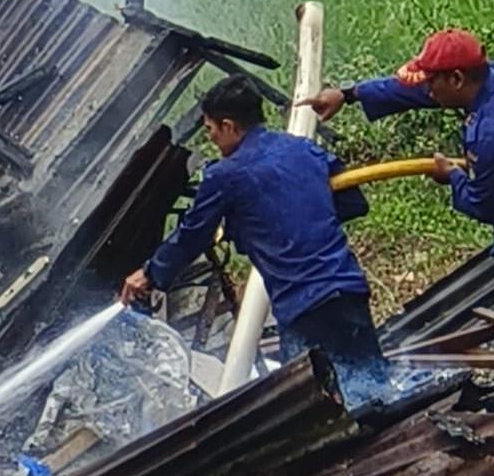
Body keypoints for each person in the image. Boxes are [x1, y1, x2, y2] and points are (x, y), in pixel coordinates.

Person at [308, 29, 494, 440]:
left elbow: (484, 204)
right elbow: (417, 92)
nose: (427, 89)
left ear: (458, 79)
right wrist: (349, 94)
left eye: (433, 81)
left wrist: (454, 177)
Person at [125, 76, 387, 397]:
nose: (213, 142)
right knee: (376, 390)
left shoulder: (223, 176)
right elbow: (353, 202)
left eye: (211, 131)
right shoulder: (303, 149)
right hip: (347, 290)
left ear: (229, 126)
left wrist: (150, 274)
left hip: (303, 306)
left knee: (313, 407)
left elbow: (192, 234)